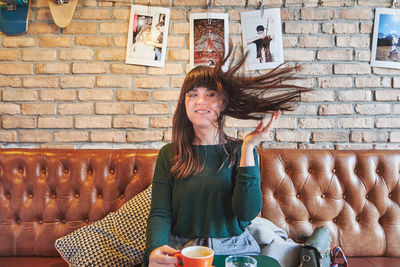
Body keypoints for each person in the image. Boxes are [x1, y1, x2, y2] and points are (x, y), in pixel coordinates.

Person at [143, 48, 310, 267]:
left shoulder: (241, 151)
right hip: (184, 249)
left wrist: (249, 146)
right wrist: (154, 251)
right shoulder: (169, 153)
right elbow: (160, 212)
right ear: (184, 104)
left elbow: (247, 213)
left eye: (210, 94)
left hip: (235, 248)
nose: (200, 101)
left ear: (222, 104)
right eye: (193, 94)